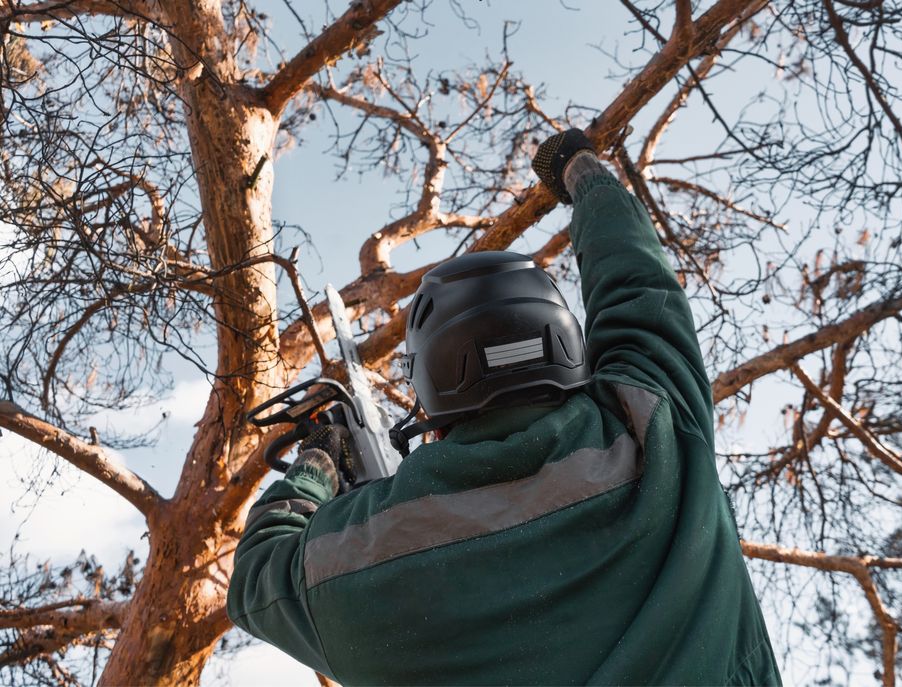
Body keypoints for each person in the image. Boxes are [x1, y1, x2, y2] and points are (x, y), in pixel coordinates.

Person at [226, 129, 781, 685]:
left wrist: (316, 464)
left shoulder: (359, 560)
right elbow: (636, 282)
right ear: (567, 348)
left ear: (433, 394)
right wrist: (580, 170)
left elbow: (256, 578)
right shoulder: (653, 429)